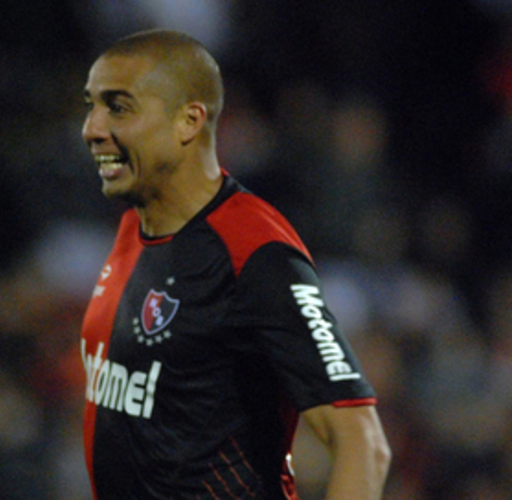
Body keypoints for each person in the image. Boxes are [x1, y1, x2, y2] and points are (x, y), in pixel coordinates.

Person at [79, 29, 390, 500]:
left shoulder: (255, 252)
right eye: (91, 106)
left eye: (118, 107)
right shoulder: (133, 230)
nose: (92, 129)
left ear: (188, 121)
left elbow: (363, 443)